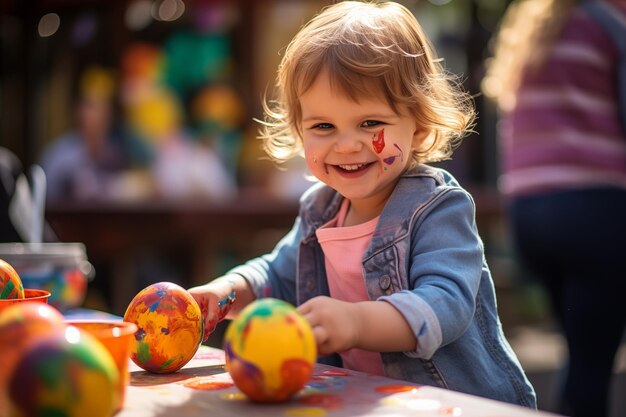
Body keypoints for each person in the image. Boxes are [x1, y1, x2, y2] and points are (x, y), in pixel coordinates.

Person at [189, 0, 536, 407]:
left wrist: (355, 322)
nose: (347, 144)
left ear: (419, 125)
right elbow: (276, 275)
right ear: (300, 133)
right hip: (365, 402)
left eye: (370, 123)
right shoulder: (320, 211)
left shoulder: (438, 208)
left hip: (455, 404)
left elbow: (445, 303)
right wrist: (224, 293)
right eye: (323, 126)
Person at [483, 0, 626, 416]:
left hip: (528, 212)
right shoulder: (612, 20)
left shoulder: (531, 29)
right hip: (594, 208)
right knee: (592, 361)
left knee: (582, 348)